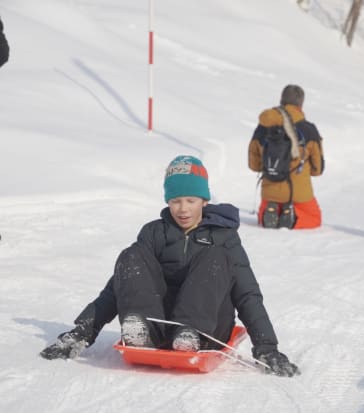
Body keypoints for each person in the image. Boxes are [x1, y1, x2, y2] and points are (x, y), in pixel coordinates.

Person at [40, 155, 300, 377]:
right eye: (175, 201)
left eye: (191, 200)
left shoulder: (223, 237)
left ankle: (190, 333)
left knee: (215, 257)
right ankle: (143, 330)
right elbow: (119, 286)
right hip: (162, 322)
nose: (183, 209)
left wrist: (267, 347)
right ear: (167, 201)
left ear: (204, 201)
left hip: (208, 326)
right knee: (131, 256)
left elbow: (247, 294)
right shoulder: (155, 233)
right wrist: (82, 332)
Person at [248, 84, 325, 229]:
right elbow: (317, 170)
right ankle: (293, 216)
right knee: (314, 218)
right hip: (299, 194)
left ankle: (269, 211)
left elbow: (254, 165)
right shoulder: (309, 129)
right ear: (300, 105)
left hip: (269, 192)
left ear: (282, 101)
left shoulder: (263, 127)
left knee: (268, 206)